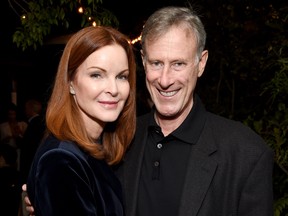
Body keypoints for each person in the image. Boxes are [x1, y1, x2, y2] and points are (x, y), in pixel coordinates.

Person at [24, 6, 274, 216]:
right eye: (156, 63)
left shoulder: (246, 153)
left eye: (178, 64)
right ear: (143, 62)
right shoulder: (121, 137)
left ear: (201, 64)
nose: (165, 80)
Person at [25, 25, 136, 216]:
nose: (113, 89)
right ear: (70, 82)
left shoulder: (94, 148)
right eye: (96, 75)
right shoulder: (61, 161)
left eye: (121, 76)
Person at [19, 99, 46, 184]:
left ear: (30, 109)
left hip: (30, 164)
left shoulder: (34, 124)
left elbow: (29, 146)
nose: (25, 111)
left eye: (26, 108)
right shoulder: (41, 122)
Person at [0, 103, 27, 170]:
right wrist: (5, 139)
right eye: (10, 114)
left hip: (20, 151)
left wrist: (20, 132)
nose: (12, 116)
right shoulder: (2, 126)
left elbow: (29, 138)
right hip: (7, 152)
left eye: (13, 114)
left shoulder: (22, 124)